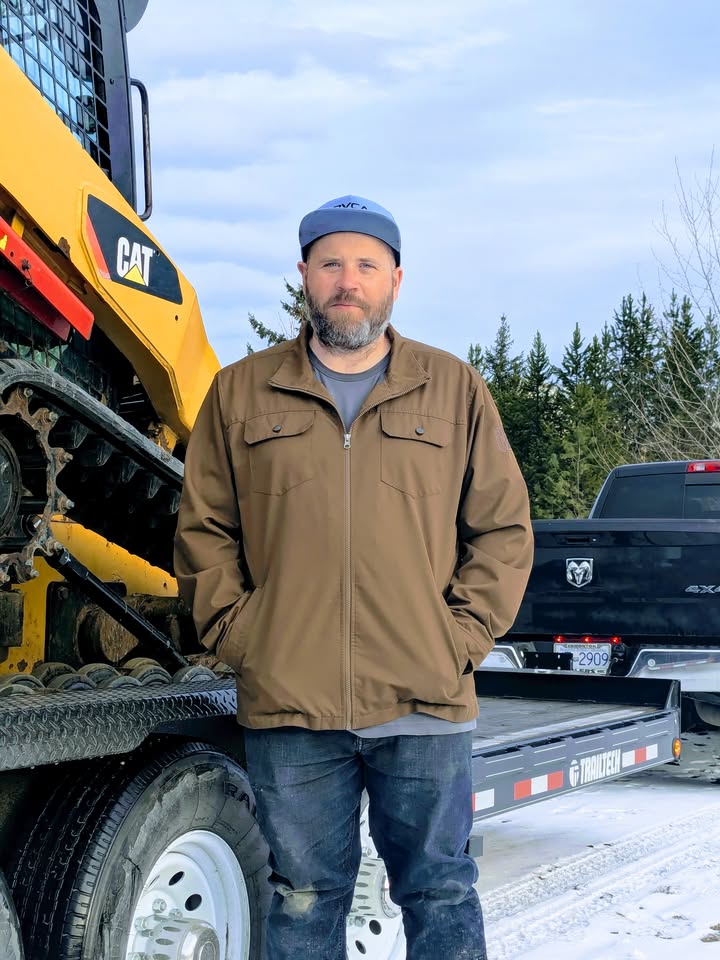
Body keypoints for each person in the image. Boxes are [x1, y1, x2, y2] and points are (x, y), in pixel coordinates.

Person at [174, 195, 534, 960]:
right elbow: (204, 529)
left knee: (440, 892)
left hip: (425, 701)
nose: (348, 280)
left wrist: (458, 638)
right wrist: (245, 638)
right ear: (305, 274)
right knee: (303, 902)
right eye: (331, 263)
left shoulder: (454, 389)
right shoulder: (240, 393)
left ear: (396, 280)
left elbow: (502, 530)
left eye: (366, 265)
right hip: (293, 706)